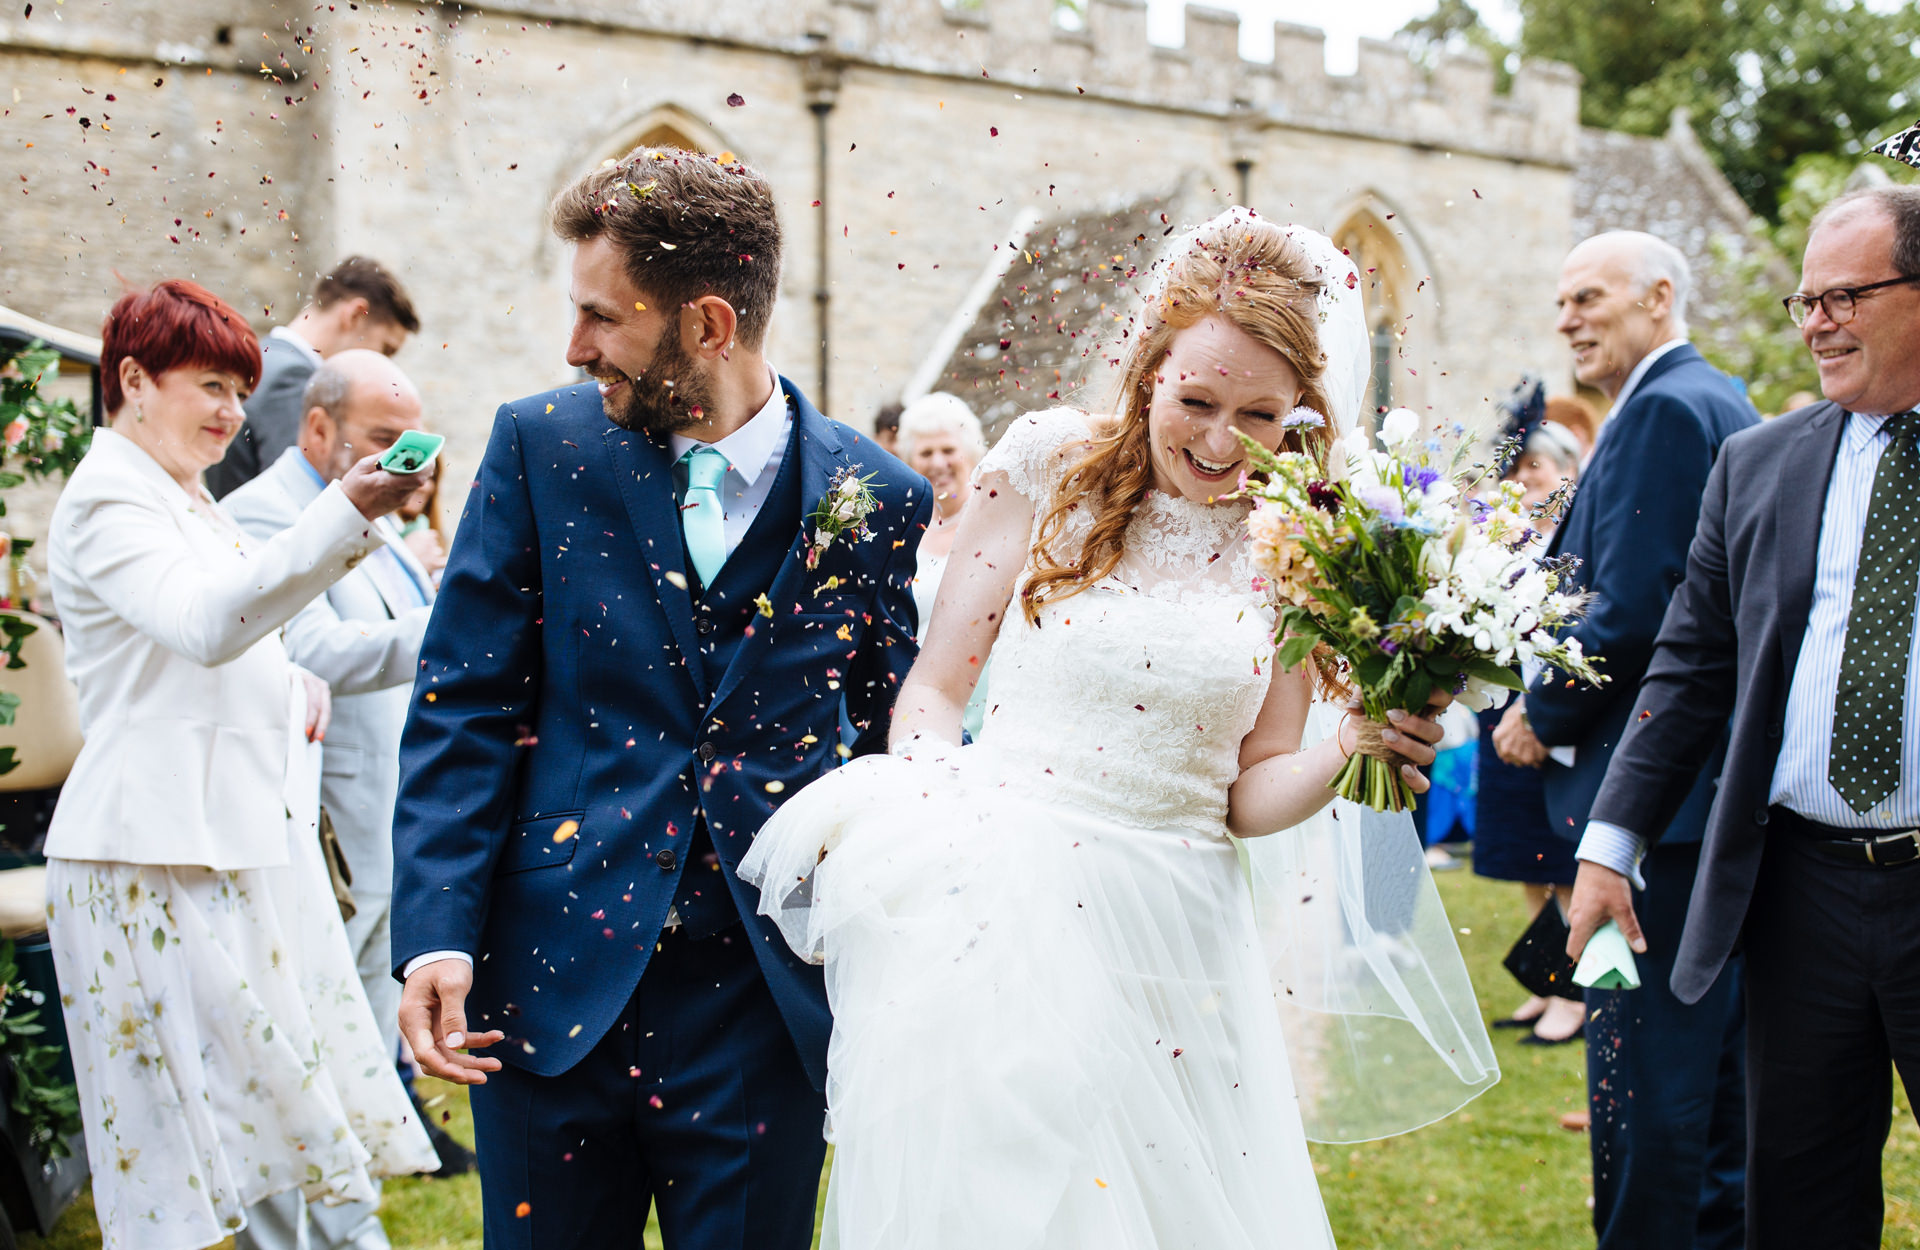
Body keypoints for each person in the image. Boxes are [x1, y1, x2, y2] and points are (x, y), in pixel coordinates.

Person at [740, 211, 1496, 1248]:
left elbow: (1253, 786)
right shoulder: (1046, 463)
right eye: (1196, 401)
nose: (1222, 443)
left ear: (1302, 416)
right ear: (1147, 370)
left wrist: (1347, 745)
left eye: (1261, 416)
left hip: (1175, 936)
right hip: (1002, 906)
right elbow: (932, 695)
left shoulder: (1301, 547)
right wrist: (942, 818)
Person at [388, 148, 930, 1250]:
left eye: (601, 316)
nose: (574, 345)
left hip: (759, 1014)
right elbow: (468, 700)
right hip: (544, 991)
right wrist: (435, 931)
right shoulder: (542, 446)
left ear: (710, 325)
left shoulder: (877, 497)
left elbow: (894, 742)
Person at [42, 280, 436, 1250]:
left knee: (280, 1119)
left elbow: (241, 636)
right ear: (132, 379)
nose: (230, 413)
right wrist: (347, 509)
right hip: (143, 852)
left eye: (240, 388)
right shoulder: (105, 499)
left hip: (229, 843)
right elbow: (208, 622)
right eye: (211, 385)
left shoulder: (185, 498)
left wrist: (288, 680)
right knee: (174, 1149)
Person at [1567, 185, 1920, 1250]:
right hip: (1799, 889)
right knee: (1799, 1198)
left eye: (1846, 294)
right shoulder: (1759, 461)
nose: (1816, 319)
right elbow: (1687, 669)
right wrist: (1610, 841)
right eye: (1804, 299)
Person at [1494, 230, 1755, 1250]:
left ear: (1658, 295)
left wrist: (1537, 711)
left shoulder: (1660, 410)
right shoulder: (1717, 398)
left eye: (1588, 296)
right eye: (1561, 302)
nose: (1568, 319)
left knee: (1641, 1079)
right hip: (1699, 806)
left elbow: (1639, 606)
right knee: (1709, 1074)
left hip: (1652, 814)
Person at [222, 350, 446, 1250]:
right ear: (318, 427)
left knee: (350, 1039)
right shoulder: (257, 515)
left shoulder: (375, 513)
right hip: (319, 824)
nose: (408, 463)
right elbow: (317, 652)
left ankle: (340, 1225)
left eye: (414, 443)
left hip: (384, 811)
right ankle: (312, 1231)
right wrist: (452, 624)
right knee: (303, 1039)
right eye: (386, 440)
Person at [1478, 396, 1588, 1045]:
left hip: (1552, 721)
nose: (1524, 479)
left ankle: (1573, 997)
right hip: (1502, 716)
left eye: (1537, 467)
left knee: (1565, 864)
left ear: (1567, 472)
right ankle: (1543, 984)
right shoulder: (1501, 539)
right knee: (1529, 861)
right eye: (1514, 470)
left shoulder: (1579, 537)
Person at [207, 257, 419, 499]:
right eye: (386, 349)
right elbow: (302, 494)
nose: (384, 363)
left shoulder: (266, 357)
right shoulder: (294, 379)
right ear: (356, 315)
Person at [898, 393, 989, 735]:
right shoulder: (905, 529)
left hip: (980, 697)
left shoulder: (991, 521)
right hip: (915, 703)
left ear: (969, 452)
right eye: (925, 453)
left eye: (948, 450)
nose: (938, 463)